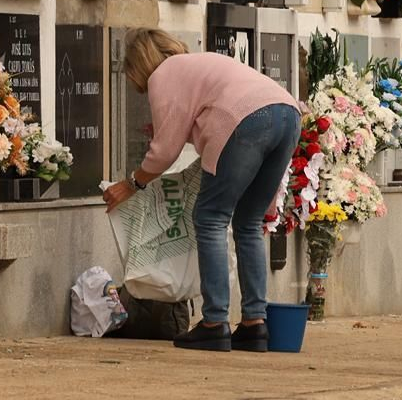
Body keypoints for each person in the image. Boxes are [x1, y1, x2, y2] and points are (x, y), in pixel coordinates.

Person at [102, 30, 302, 352]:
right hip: (288, 113)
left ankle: (214, 322)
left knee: (210, 218)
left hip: (247, 119)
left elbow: (165, 149)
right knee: (248, 223)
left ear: (139, 64)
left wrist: (131, 183)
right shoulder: (201, 62)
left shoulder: (163, 74)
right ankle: (254, 323)